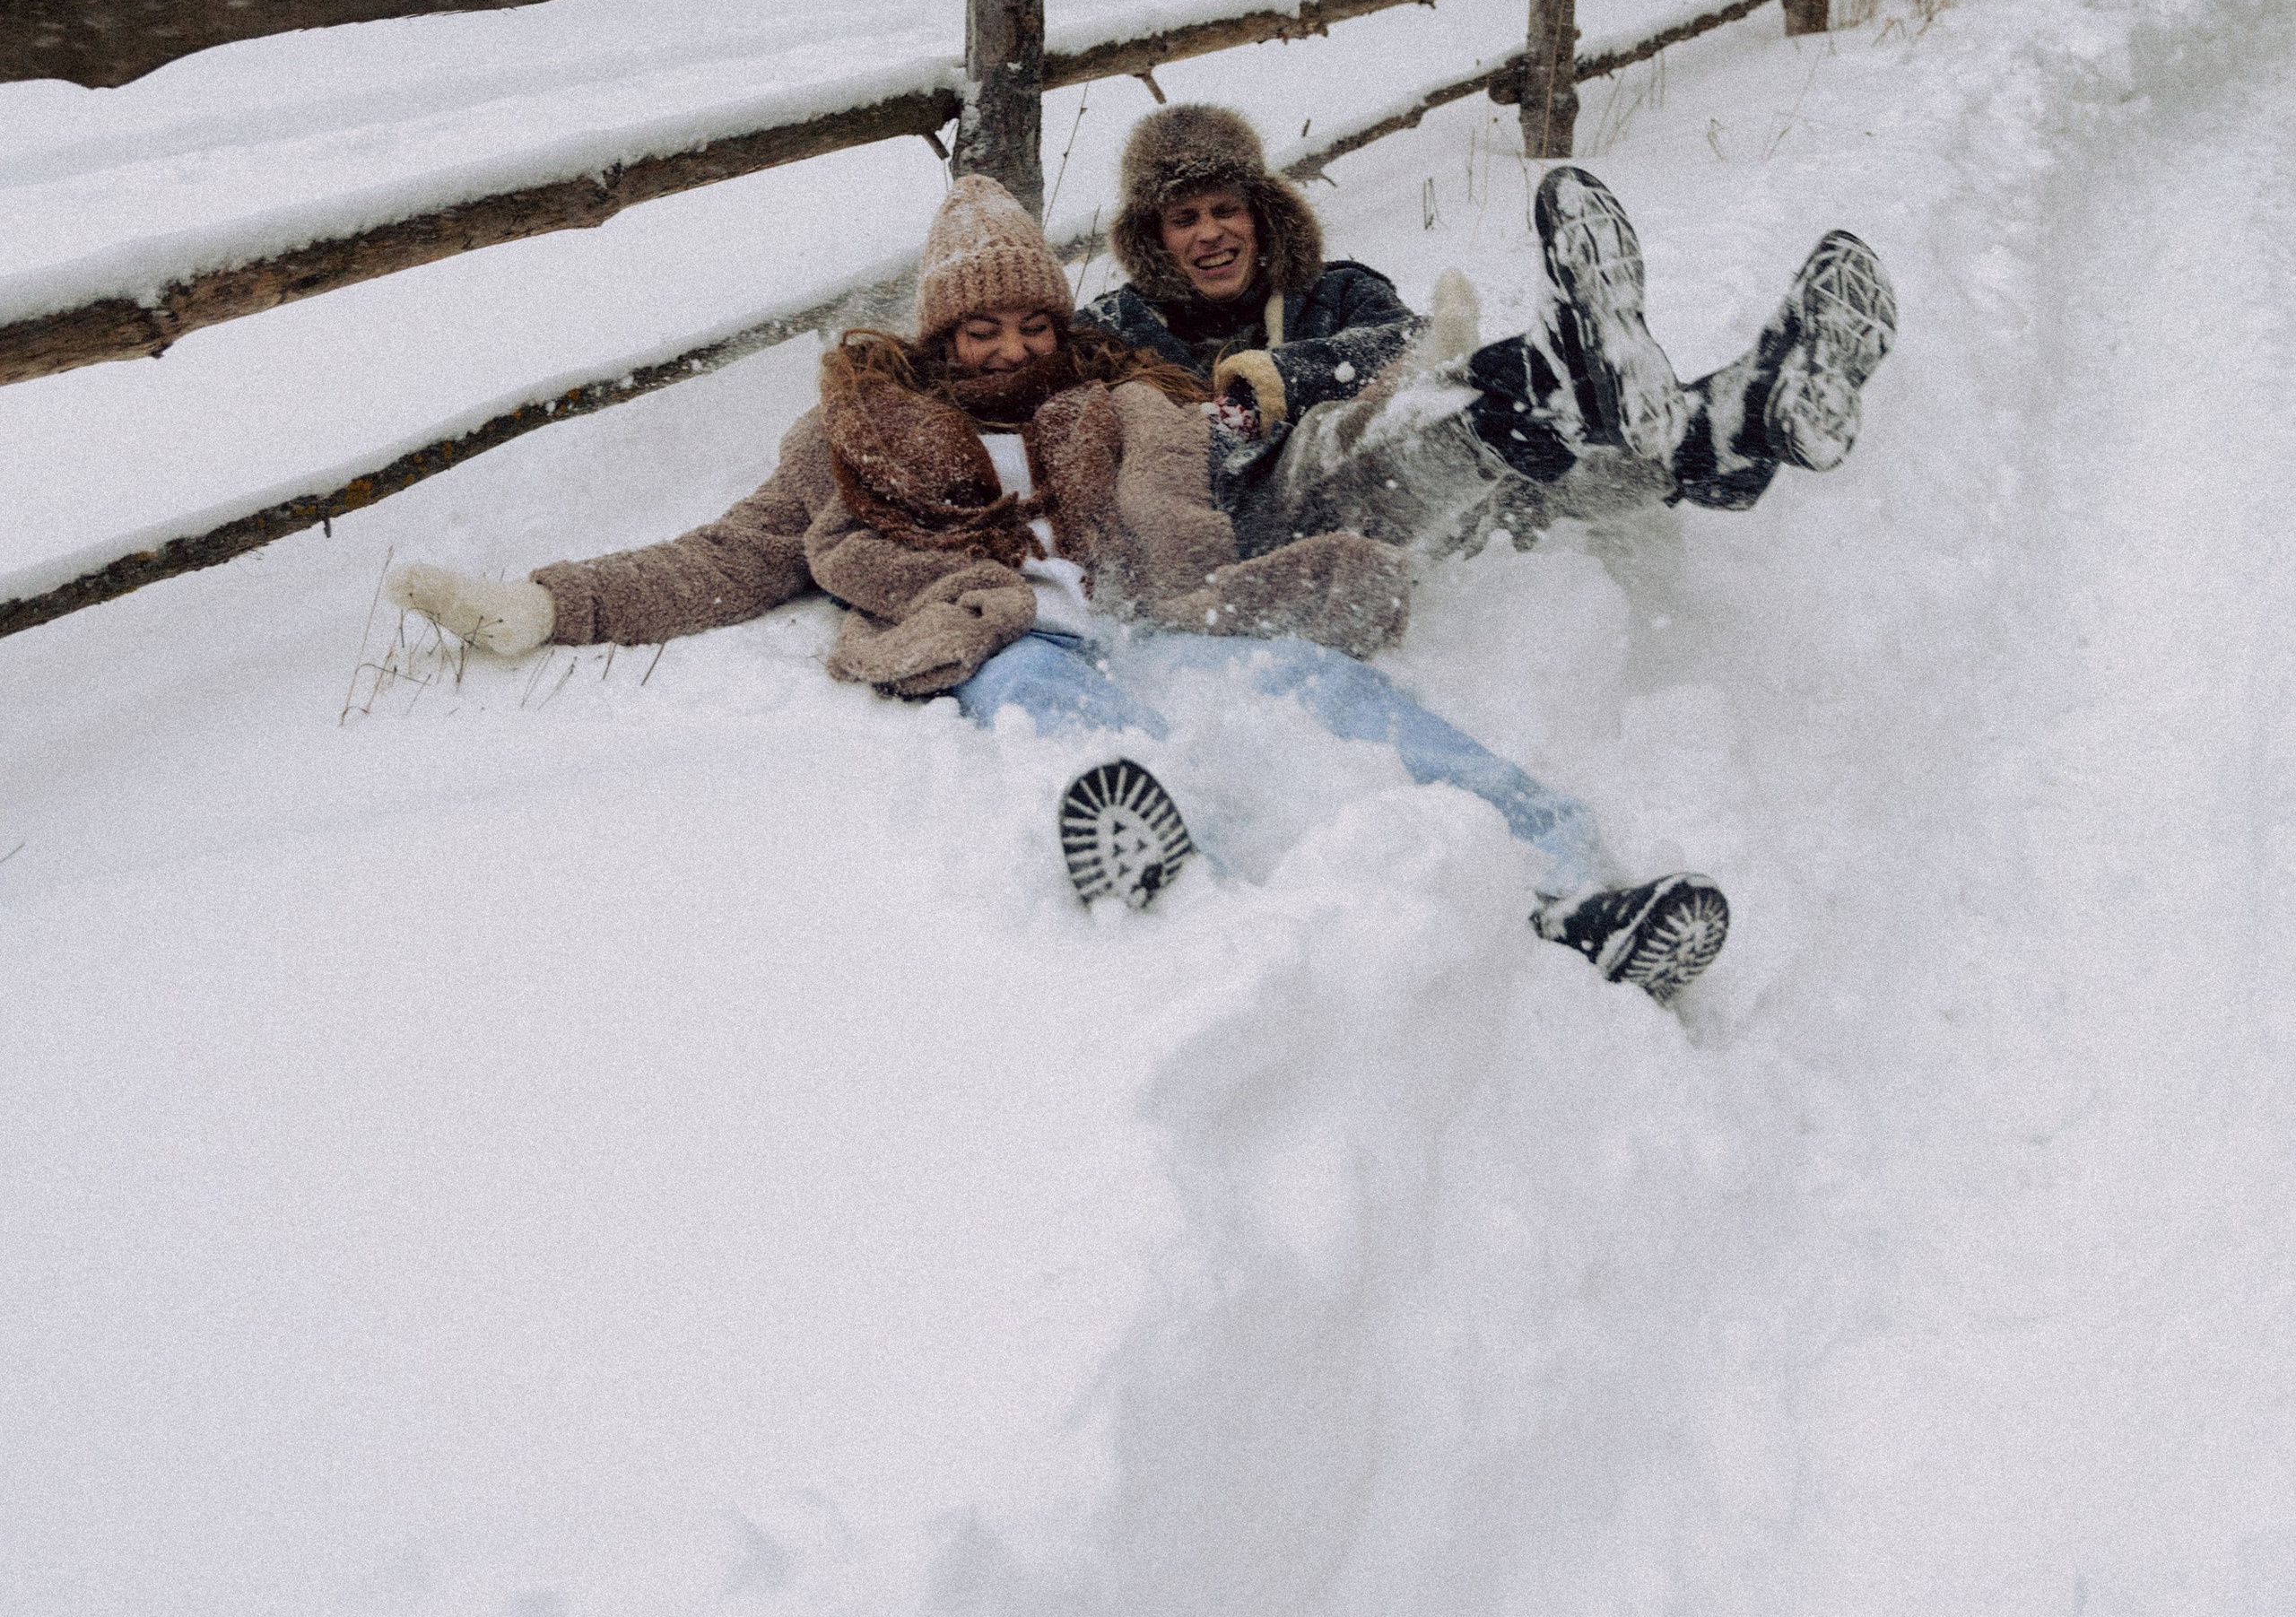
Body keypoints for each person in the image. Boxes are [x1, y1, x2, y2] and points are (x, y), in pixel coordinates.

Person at [387, 176, 1731, 1002]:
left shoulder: (1117, 404)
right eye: (981, 327)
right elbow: (724, 560)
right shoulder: (846, 442)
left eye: (1033, 322)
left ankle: (1569, 882)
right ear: (935, 335)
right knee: (1036, 694)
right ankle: (1163, 857)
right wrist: (552, 602)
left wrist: (1418, 367)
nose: (1013, 348)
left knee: (1321, 689)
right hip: (1003, 641)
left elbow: (1267, 433)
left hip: (1159, 624)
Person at [1084, 103, 1898, 561]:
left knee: (1516, 458)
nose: (1208, 235)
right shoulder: (1118, 330)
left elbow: (1400, 346)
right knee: (1355, 436)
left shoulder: (1335, 292)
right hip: (1263, 532)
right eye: (1183, 218)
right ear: (1152, 237)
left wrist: (1286, 372)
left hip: (1411, 500)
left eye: (1226, 209)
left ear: (1262, 216)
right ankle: (1556, 388)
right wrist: (1251, 407)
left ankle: (1723, 428)